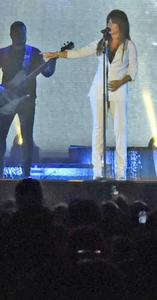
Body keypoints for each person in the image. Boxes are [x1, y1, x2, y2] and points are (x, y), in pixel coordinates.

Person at [46, 10, 138, 180]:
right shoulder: (102, 43)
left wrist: (120, 82)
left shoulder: (129, 46)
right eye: (108, 22)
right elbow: (80, 52)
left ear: (121, 25)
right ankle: (97, 169)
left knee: (120, 130)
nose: (109, 25)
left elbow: (133, 71)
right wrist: (58, 54)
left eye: (112, 22)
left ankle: (121, 171)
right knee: (98, 129)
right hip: (98, 91)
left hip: (118, 92)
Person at [0, 21, 57, 179]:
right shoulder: (3, 53)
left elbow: (46, 72)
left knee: (27, 137)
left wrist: (53, 64)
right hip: (7, 99)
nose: (21, 36)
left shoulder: (34, 53)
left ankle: (26, 171)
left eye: (23, 33)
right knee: (0, 136)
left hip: (27, 101)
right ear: (11, 34)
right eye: (18, 33)